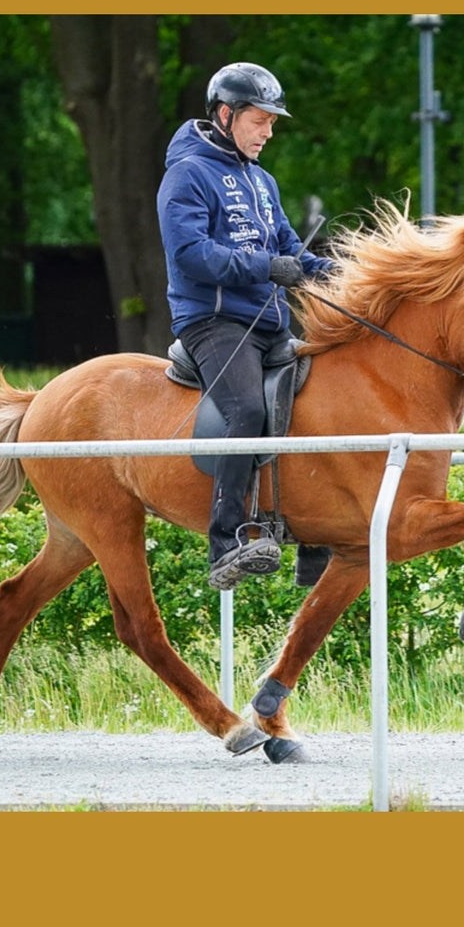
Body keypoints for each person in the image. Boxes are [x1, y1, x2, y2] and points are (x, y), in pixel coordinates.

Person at [157, 61, 334, 591]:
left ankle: (315, 533)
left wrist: (343, 272)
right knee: (248, 408)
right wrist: (266, 268)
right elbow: (190, 255)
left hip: (269, 321)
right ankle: (225, 542)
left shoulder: (262, 180)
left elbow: (288, 250)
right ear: (227, 114)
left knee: (323, 398)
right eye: (260, 120)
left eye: (272, 122)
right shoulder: (186, 174)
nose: (268, 132)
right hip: (212, 322)